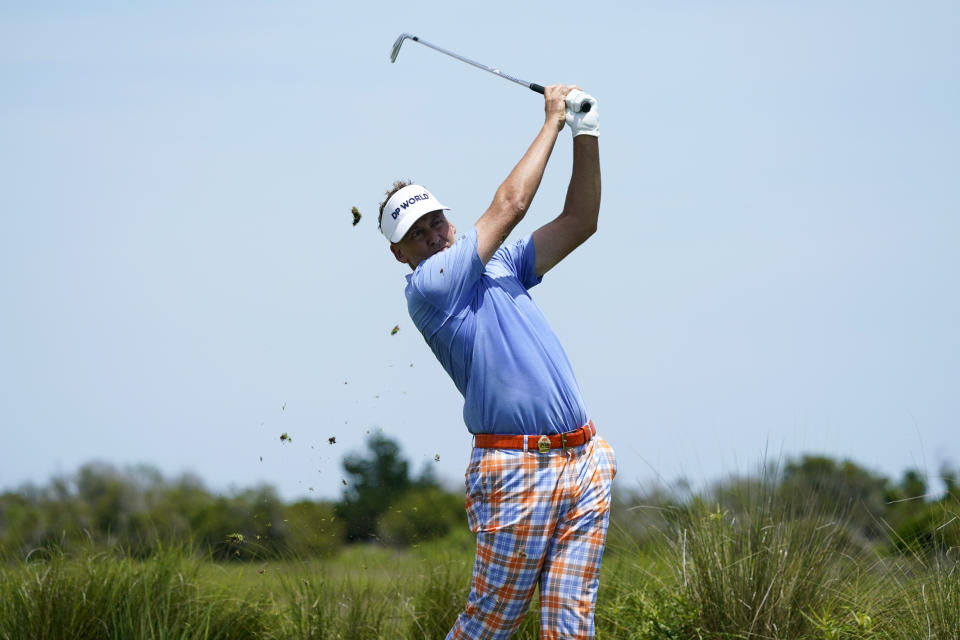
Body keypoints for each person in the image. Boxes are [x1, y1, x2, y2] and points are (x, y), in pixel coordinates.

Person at [377, 84, 616, 640]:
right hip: (515, 469)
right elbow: (511, 206)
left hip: (585, 460)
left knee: (571, 627)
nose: (434, 234)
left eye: (437, 220)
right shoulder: (430, 288)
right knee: (490, 624)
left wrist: (586, 132)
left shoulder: (503, 263)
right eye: (417, 233)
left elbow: (581, 221)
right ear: (399, 253)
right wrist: (553, 120)